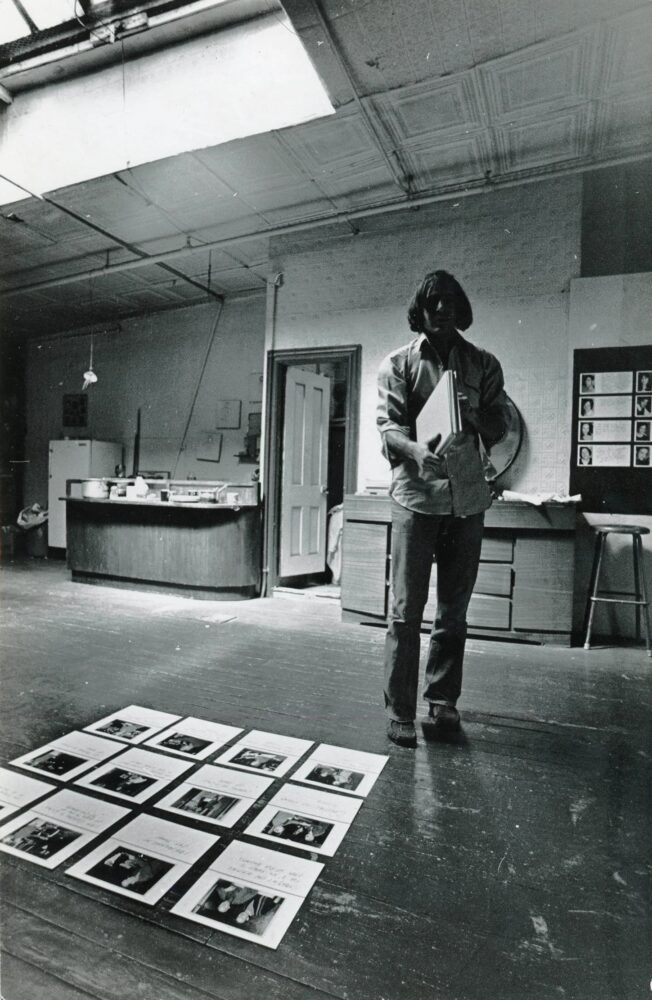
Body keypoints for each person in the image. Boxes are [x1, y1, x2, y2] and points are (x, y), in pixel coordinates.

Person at [377, 269, 509, 747]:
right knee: (405, 613)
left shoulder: (484, 363)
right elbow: (388, 427)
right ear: (421, 309)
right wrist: (416, 451)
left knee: (453, 612)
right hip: (416, 499)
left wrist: (473, 414)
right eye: (433, 301)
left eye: (450, 300)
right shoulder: (398, 363)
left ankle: (442, 703)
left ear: (461, 308)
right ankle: (400, 711)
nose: (442, 308)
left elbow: (499, 426)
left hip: (467, 500)